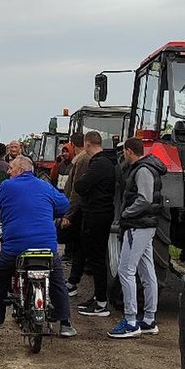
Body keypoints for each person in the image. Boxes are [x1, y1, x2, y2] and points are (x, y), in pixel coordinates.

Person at [0, 156, 77, 338]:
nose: (8, 171)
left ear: (20, 170)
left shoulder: (6, 187)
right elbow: (64, 206)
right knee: (57, 281)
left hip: (15, 248)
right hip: (46, 247)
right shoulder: (44, 186)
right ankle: (66, 324)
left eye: (11, 168)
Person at [107, 137, 167, 338]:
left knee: (126, 270)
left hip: (137, 226)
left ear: (129, 151)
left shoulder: (142, 170)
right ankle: (149, 319)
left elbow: (144, 199)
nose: (124, 154)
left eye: (125, 151)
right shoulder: (149, 167)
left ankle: (131, 321)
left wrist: (126, 213)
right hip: (146, 226)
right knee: (147, 271)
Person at [74, 131, 117, 317]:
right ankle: (98, 297)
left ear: (87, 144)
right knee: (95, 257)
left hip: (97, 214)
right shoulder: (107, 162)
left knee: (97, 258)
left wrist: (82, 181)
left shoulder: (99, 164)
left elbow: (81, 186)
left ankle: (101, 303)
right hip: (100, 213)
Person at [61, 133, 88, 279]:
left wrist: (69, 214)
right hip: (75, 207)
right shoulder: (79, 160)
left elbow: (76, 190)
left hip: (77, 210)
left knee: (78, 245)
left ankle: (73, 280)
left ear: (72, 145)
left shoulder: (82, 160)